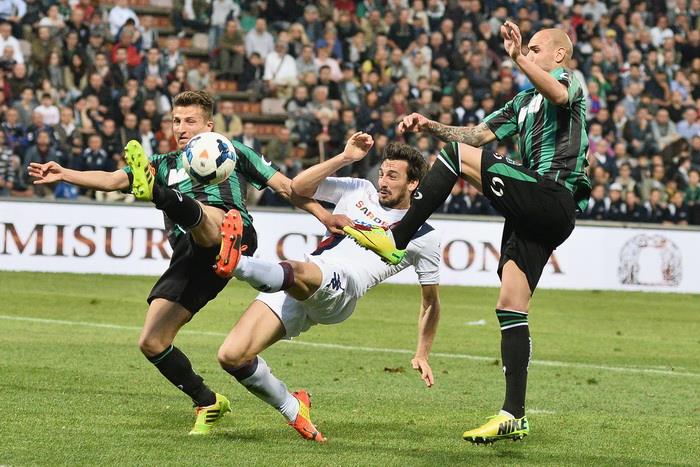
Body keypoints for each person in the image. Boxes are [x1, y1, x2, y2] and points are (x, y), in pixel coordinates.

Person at [28, 90, 347, 436]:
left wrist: (323, 215)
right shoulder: (163, 163)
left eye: (190, 121)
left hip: (232, 231)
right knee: (152, 342)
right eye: (176, 121)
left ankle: (160, 196)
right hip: (190, 256)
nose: (181, 128)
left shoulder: (231, 150)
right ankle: (207, 401)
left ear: (209, 125)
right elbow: (112, 179)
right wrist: (64, 173)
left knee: (209, 221)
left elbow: (285, 186)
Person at [345, 21, 591, 444]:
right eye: (527, 50)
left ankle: (397, 239)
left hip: (553, 195)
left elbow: (557, 94)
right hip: (531, 214)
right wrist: (430, 125)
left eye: (535, 49)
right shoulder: (521, 102)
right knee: (510, 305)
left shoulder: (571, 84)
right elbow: (476, 135)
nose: (528, 53)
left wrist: (517, 58)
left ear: (558, 55)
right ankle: (513, 415)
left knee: (457, 157)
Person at [214, 133, 441, 442]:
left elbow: (430, 302)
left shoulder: (423, 234)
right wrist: (345, 157)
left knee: (296, 268)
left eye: (393, 176)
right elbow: (299, 187)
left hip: (343, 288)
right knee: (231, 356)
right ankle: (293, 407)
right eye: (382, 173)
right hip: (305, 278)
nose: (383, 181)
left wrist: (422, 353)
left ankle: (238, 263)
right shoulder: (360, 190)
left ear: (413, 183)